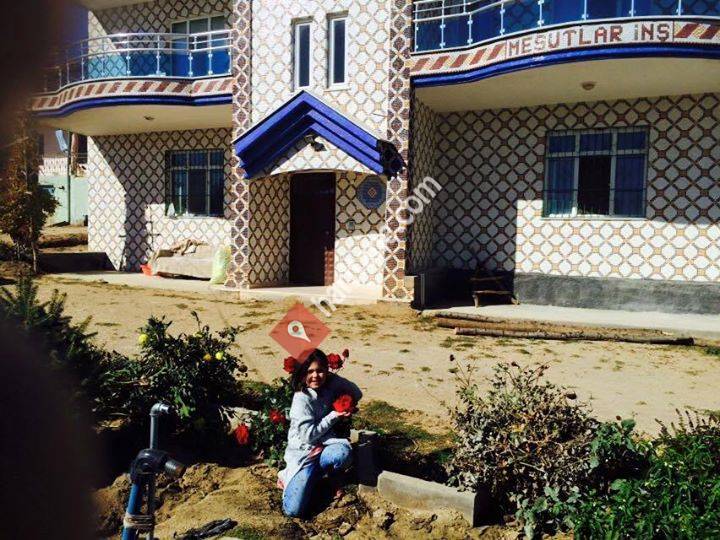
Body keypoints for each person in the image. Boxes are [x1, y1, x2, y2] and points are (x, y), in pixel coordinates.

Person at [279, 349, 362, 518]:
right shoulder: (301, 399)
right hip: (304, 455)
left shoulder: (327, 388)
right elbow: (308, 436)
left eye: (320, 370)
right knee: (293, 510)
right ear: (302, 373)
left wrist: (331, 377)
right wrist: (333, 416)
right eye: (310, 371)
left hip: (324, 446)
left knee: (342, 454)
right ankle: (295, 477)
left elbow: (356, 392)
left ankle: (327, 477)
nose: (315, 376)